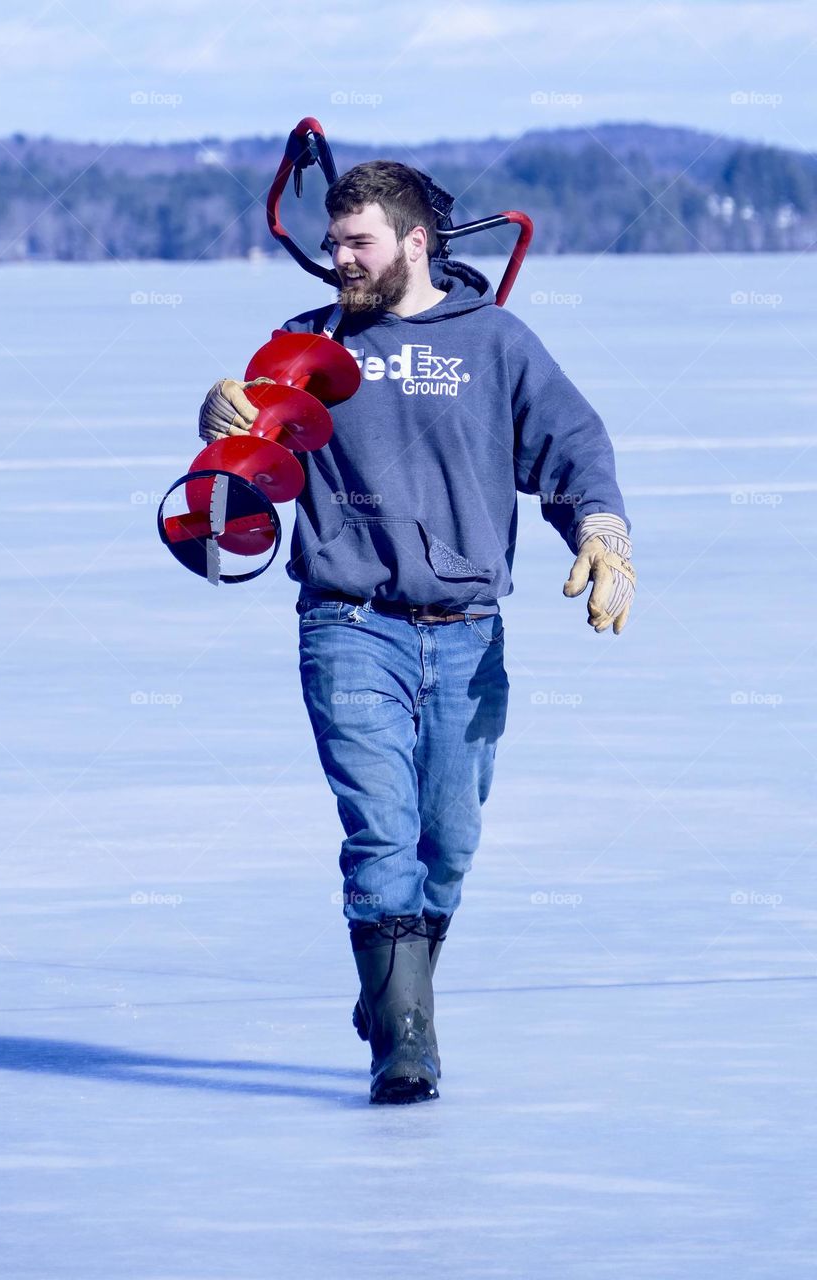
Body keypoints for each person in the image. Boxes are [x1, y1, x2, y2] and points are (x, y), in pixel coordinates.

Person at [198, 161, 636, 1105]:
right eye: (333, 240)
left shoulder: (496, 343)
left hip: (470, 631)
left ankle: (394, 987)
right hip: (350, 623)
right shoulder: (302, 349)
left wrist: (602, 531)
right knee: (383, 833)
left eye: (357, 242)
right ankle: (405, 1045)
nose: (338, 257)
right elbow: (233, 486)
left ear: (415, 243)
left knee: (450, 838)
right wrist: (219, 430)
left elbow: (571, 447)